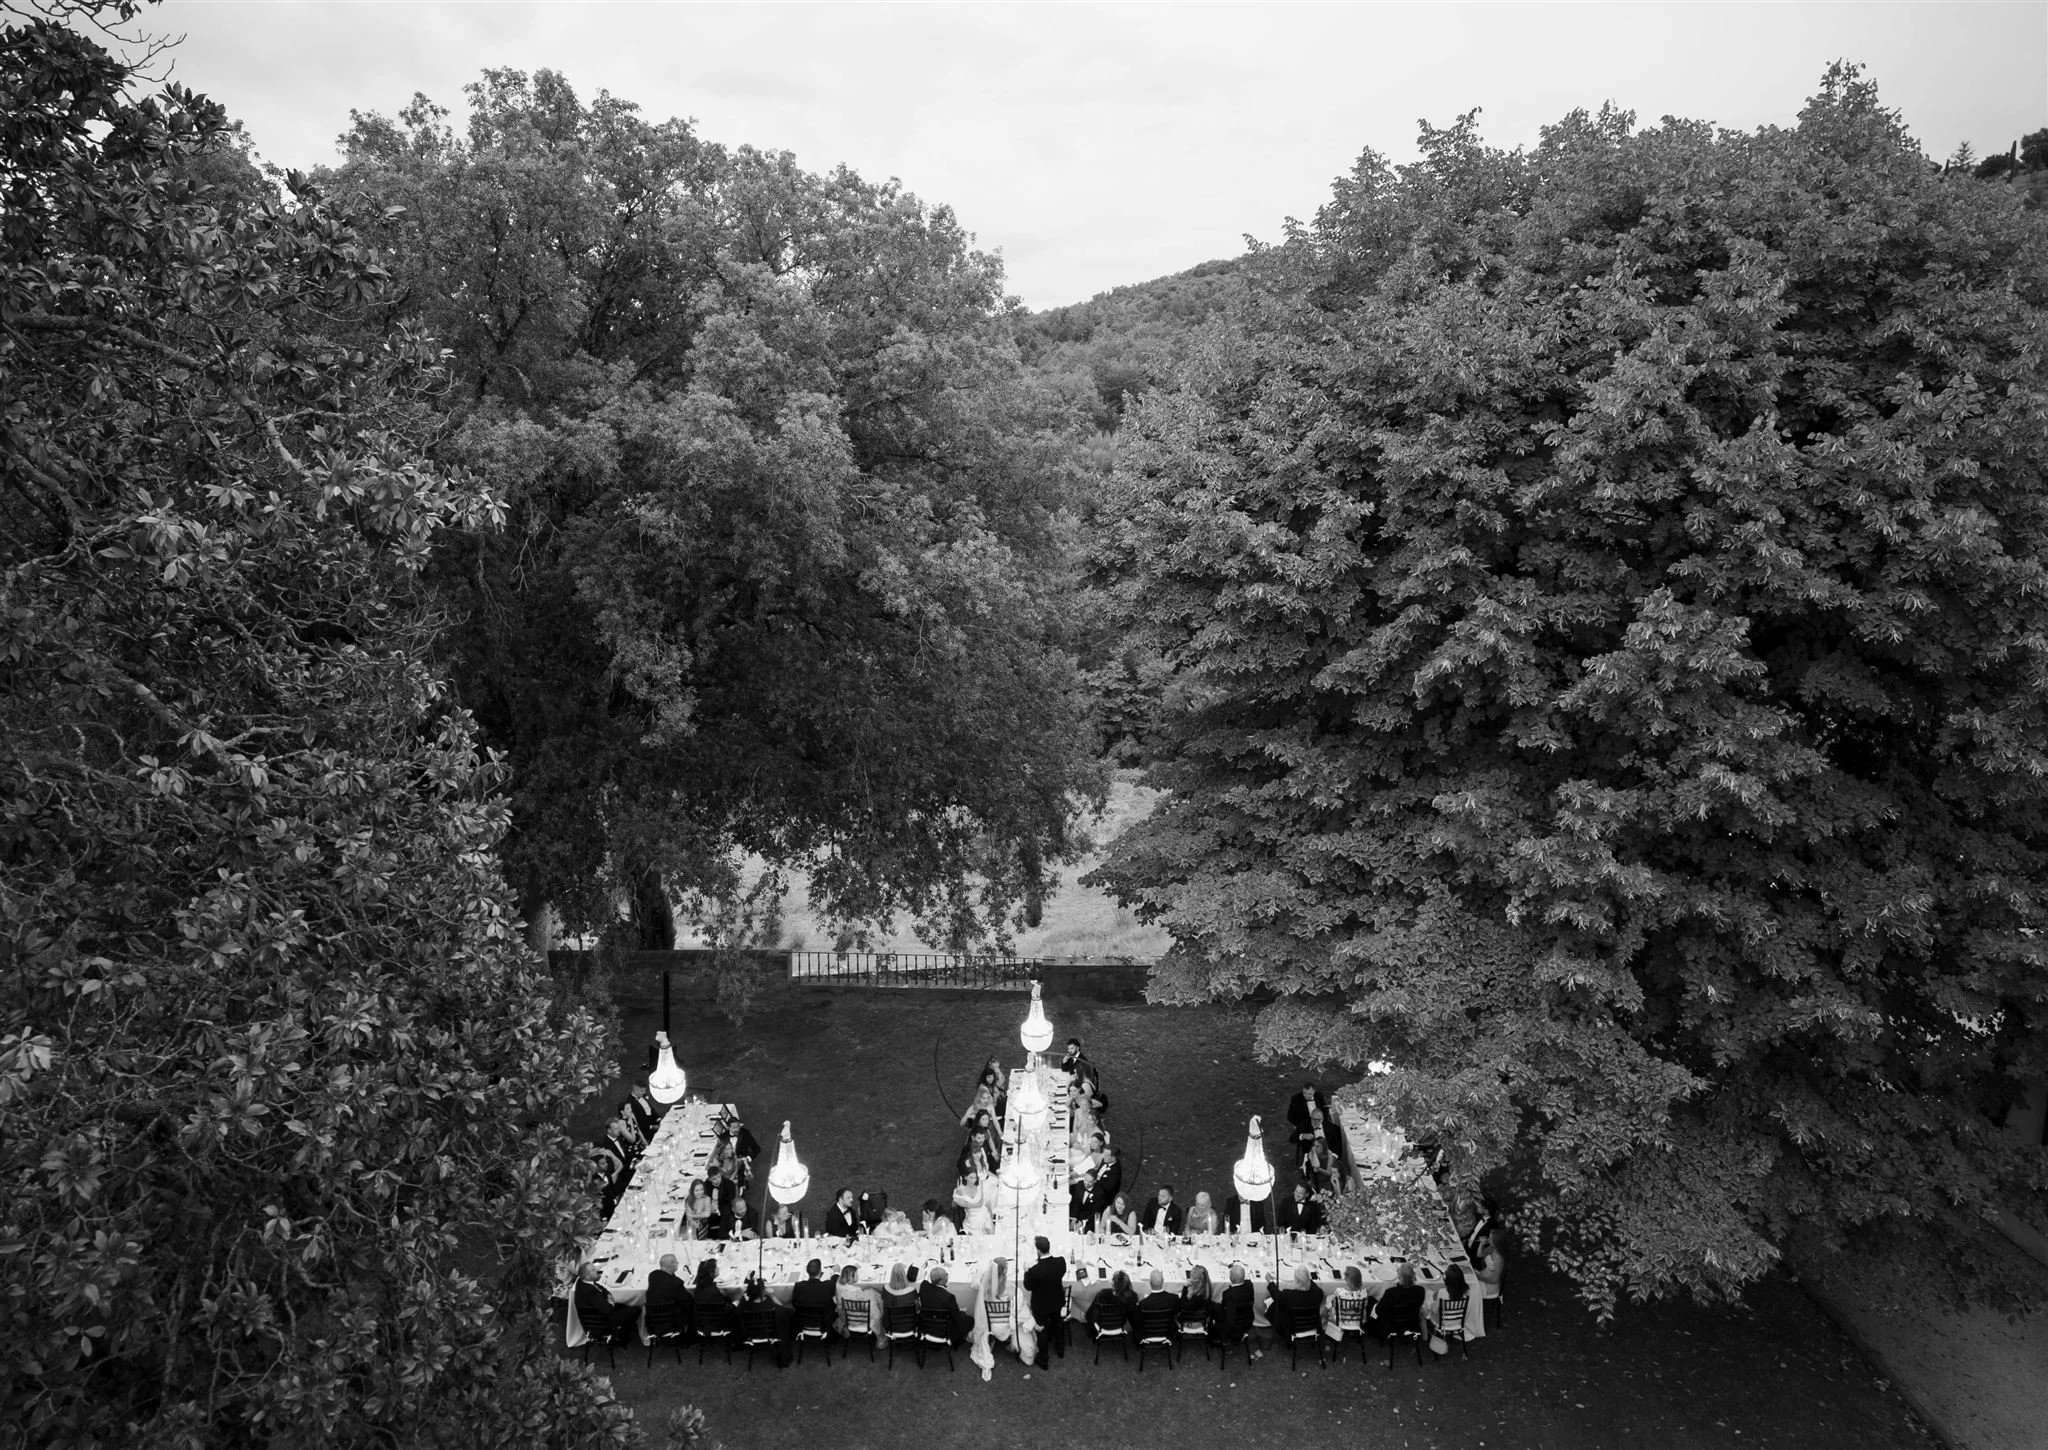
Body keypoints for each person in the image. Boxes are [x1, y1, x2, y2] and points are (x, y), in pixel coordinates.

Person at [1022, 1235, 1068, 1368]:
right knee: (1058, 1323)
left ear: (1038, 1250)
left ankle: (1044, 1360)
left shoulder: (1035, 1271)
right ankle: (1060, 1350)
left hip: (1041, 1305)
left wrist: (1026, 1271)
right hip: (1057, 1300)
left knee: (1041, 1330)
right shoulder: (1061, 1262)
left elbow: (1028, 1286)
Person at [574, 1260, 640, 1345]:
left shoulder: (581, 1282)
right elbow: (607, 1310)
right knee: (636, 1310)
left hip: (600, 1312)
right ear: (587, 1276)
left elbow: (600, 1288)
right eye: (593, 1270)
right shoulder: (591, 1293)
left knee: (626, 1306)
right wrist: (610, 1302)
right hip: (601, 1322)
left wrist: (607, 1295)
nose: (596, 1271)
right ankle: (620, 1338)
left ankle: (623, 1331)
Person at [1264, 1264, 1324, 1344]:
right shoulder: (1319, 1293)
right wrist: (1306, 1278)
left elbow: (1276, 1295)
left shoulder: (1289, 1296)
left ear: (1296, 1281)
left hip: (1292, 1328)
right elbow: (1314, 1287)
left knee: (1275, 1305)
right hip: (1313, 1326)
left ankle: (1279, 1331)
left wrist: (1270, 1281)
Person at [1371, 1262, 1427, 1341]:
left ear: (1399, 1277)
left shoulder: (1391, 1292)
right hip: (1412, 1321)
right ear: (1414, 1276)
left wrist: (1377, 1304)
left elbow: (1379, 1311)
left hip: (1392, 1323)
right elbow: (1418, 1305)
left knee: (1371, 1301)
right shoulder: (1420, 1290)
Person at [918, 1264, 972, 1345]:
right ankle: (956, 1341)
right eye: (946, 1275)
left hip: (926, 1326)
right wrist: (961, 1312)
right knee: (970, 1320)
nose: (947, 1277)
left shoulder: (923, 1287)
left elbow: (925, 1280)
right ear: (942, 1281)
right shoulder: (948, 1297)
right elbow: (957, 1319)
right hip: (943, 1330)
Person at [791, 1256, 837, 1337]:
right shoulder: (828, 1285)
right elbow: (834, 1281)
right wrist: (836, 1272)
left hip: (803, 1322)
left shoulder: (799, 1286)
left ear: (807, 1271)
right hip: (824, 1323)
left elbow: (794, 1303)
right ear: (820, 1271)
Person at [1088, 1269, 1137, 1336]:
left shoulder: (1102, 1294)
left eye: (1113, 1279)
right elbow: (1133, 1318)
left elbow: (1091, 1314)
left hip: (1103, 1326)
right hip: (1121, 1326)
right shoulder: (1133, 1296)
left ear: (1113, 1283)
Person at [1217, 1263, 1255, 1348]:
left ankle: (1219, 1338)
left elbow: (1229, 1317)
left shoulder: (1228, 1294)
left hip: (1234, 1327)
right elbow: (1248, 1281)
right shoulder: (1249, 1286)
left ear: (1231, 1278)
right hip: (1248, 1322)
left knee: (1216, 1310)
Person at [1474, 1231, 1506, 1332]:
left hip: (1490, 1286)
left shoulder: (1499, 1257)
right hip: (1483, 1275)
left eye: (1491, 1238)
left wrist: (1479, 1277)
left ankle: (1473, 1318)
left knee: (1466, 1288)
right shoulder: (1492, 1248)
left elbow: (1494, 1279)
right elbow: (1479, 1255)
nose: (1489, 1239)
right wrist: (1481, 1244)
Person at [953, 1164, 994, 1234]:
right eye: (971, 1177)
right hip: (971, 1220)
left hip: (984, 1214)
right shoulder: (960, 1190)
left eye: (975, 1177)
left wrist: (990, 1213)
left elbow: (986, 1202)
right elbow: (960, 1204)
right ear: (965, 1177)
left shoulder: (980, 1185)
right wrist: (978, 1204)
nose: (974, 1180)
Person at [1180, 1263, 1215, 1331]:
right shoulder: (1207, 1291)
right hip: (1203, 1323)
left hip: (1188, 1324)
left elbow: (1181, 1306)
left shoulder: (1190, 1299)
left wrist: (1185, 1289)